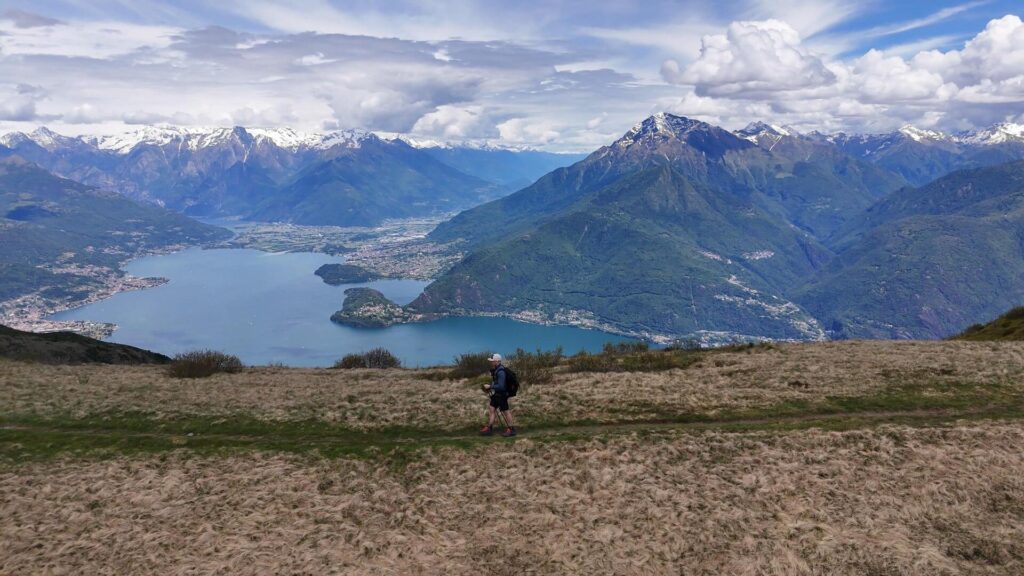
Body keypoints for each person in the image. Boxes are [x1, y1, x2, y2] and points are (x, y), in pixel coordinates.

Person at [480, 353, 517, 437]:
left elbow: (501, 386)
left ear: (497, 361)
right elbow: (497, 383)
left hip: (502, 395)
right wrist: (490, 387)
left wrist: (490, 386)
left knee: (506, 412)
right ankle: (489, 428)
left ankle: (511, 429)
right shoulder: (496, 370)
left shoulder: (501, 371)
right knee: (492, 409)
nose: (491, 362)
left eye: (492, 361)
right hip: (497, 394)